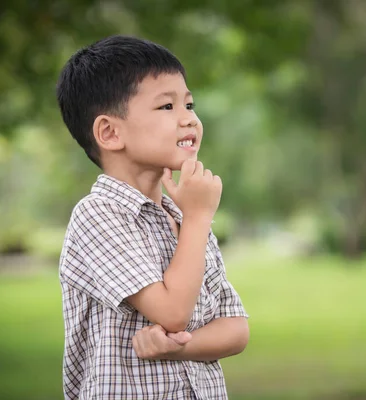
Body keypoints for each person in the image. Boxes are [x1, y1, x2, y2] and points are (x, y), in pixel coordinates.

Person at [56, 35, 249, 400]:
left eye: (190, 104)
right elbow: (172, 312)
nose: (189, 119)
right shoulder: (98, 215)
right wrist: (197, 218)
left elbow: (236, 329)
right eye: (167, 107)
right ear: (110, 132)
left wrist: (179, 348)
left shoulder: (182, 214)